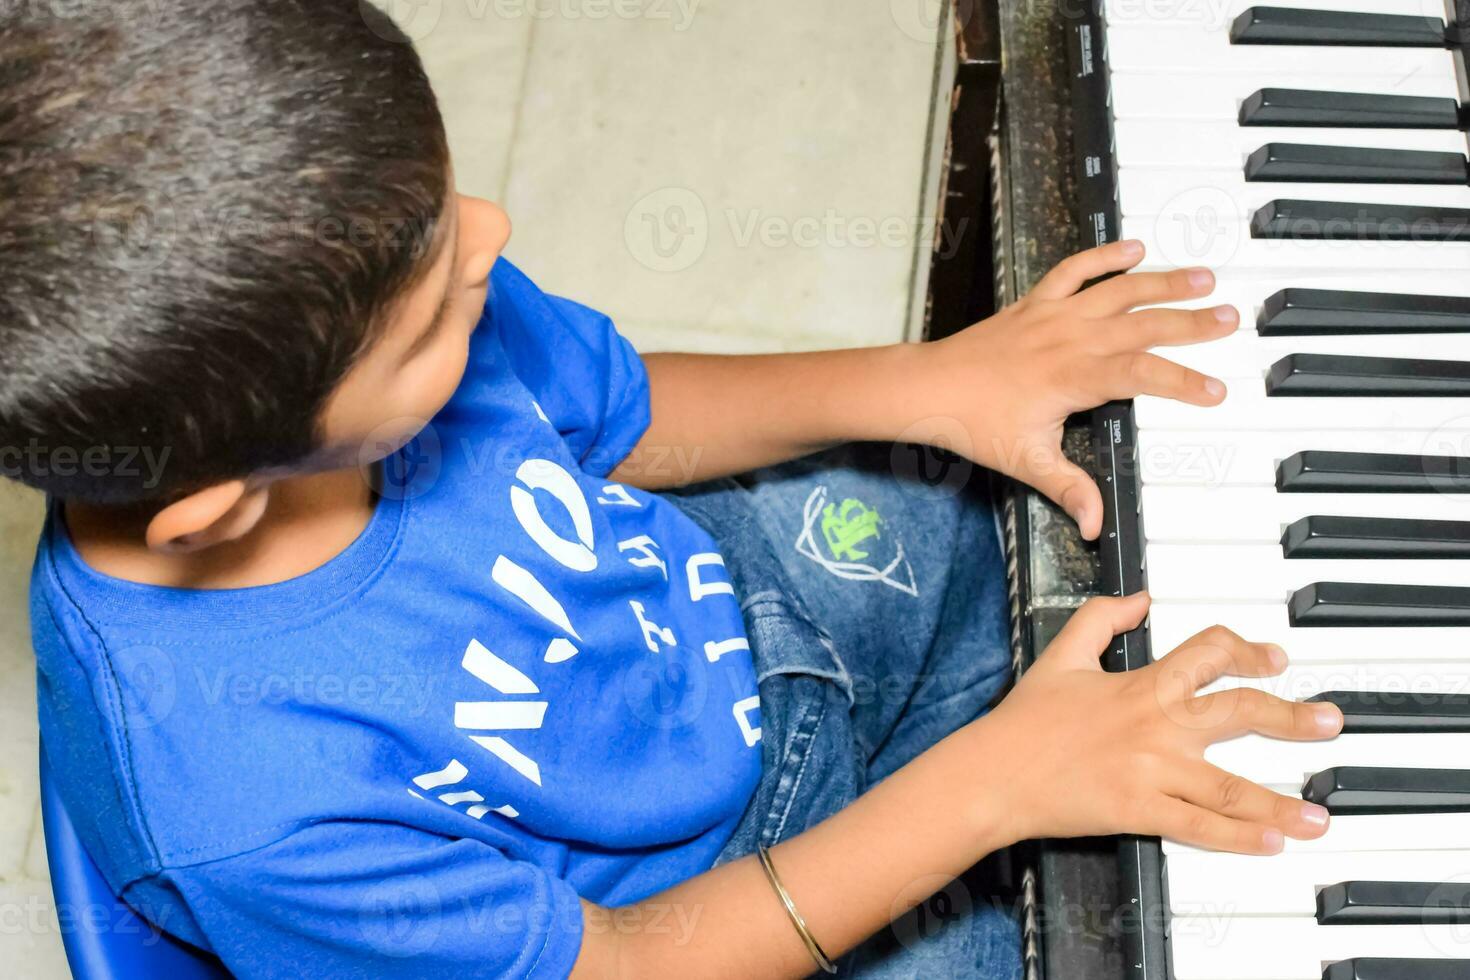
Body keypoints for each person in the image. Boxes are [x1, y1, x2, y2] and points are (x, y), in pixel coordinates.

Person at [5, 2, 1341, 977]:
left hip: (760, 613)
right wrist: (988, 792)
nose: (487, 242)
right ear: (216, 506)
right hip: (713, 914)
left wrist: (926, 381)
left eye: (444, 207)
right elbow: (632, 965)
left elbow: (624, 411)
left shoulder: (376, 291)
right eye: (423, 331)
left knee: (1140, 518)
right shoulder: (245, 808)